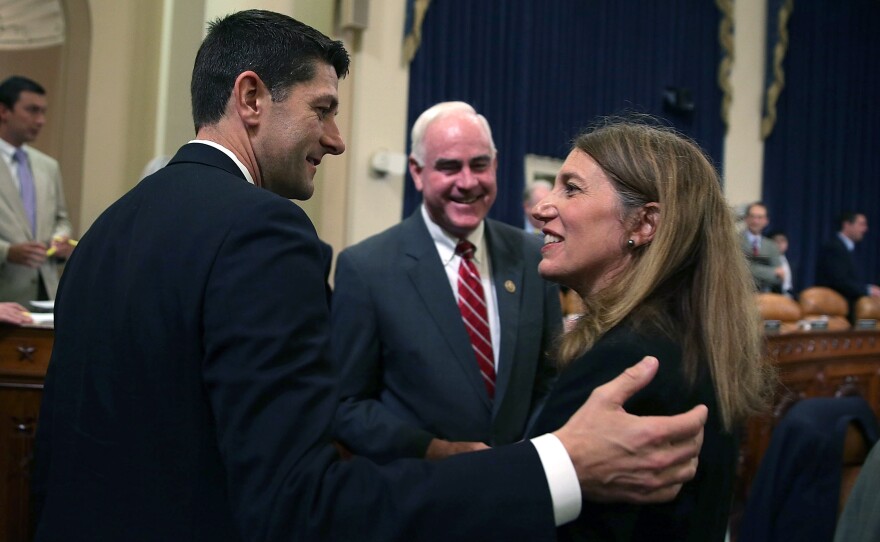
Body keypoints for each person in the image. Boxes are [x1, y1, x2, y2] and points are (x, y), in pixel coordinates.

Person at [32, 11, 707, 541]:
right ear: (251, 98)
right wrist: (555, 466)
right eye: (323, 109)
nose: (337, 139)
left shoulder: (106, 230)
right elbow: (300, 505)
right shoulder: (262, 231)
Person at [528, 120, 773, 541]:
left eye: (571, 188)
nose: (541, 208)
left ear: (644, 225)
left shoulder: (625, 362)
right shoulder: (691, 340)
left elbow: (528, 518)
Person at [331, 102, 560, 462]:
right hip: (419, 498)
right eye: (449, 167)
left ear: (496, 166)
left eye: (480, 165)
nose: (467, 182)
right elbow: (347, 405)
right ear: (417, 172)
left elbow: (549, 383)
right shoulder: (367, 270)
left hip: (519, 493)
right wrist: (433, 450)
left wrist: (526, 454)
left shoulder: (534, 257)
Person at [0, 76, 74, 305]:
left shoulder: (48, 166)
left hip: (46, 291)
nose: (41, 120)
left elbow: (61, 218)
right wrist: (6, 252)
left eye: (43, 112)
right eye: (32, 110)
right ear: (4, 111)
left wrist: (61, 238)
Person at [815, 211, 880, 321]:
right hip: (835, 310)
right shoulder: (834, 247)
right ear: (847, 225)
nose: (865, 229)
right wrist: (867, 290)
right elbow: (839, 281)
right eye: (861, 224)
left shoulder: (848, 249)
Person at [740, 202, 784, 293]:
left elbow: (779, 278)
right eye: (752, 216)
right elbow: (740, 271)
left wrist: (752, 269)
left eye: (760, 217)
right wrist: (771, 272)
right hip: (741, 295)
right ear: (746, 219)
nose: (755, 221)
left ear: (766, 221)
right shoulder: (735, 242)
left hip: (766, 298)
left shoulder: (772, 245)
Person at [768, 230, 795, 298]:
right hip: (771, 298)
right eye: (776, 241)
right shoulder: (765, 260)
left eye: (783, 241)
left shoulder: (791, 261)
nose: (780, 244)